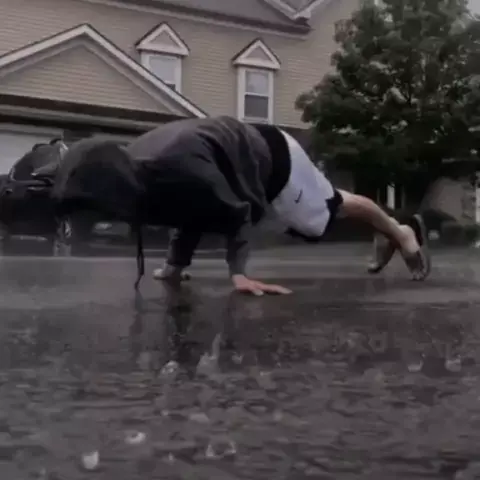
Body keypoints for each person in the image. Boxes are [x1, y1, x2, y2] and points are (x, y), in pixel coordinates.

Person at [52, 116, 430, 295]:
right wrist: (174, 266)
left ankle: (400, 232)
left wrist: (239, 274)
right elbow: (189, 209)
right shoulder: (139, 167)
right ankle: (388, 230)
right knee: (331, 200)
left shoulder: (176, 166)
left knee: (327, 212)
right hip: (251, 145)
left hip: (275, 162)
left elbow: (235, 210)